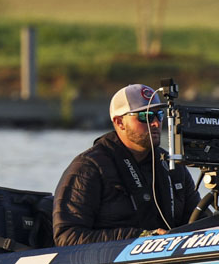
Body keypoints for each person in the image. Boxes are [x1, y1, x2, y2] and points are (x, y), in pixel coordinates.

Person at [53, 84, 200, 246]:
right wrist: (140, 238)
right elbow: (67, 237)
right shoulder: (88, 168)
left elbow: (201, 221)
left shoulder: (172, 165)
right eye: (145, 116)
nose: (156, 123)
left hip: (169, 256)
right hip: (111, 260)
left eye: (159, 115)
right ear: (119, 122)